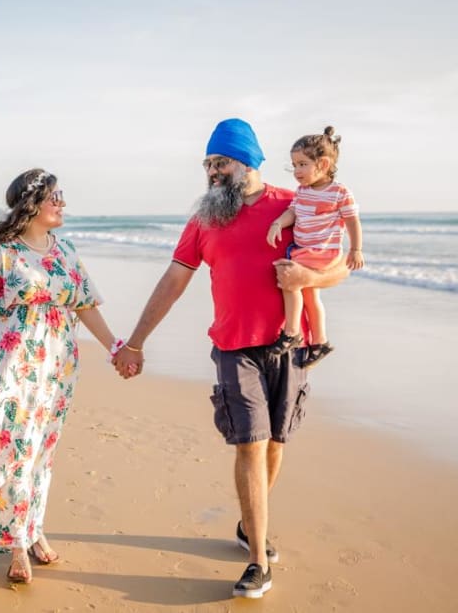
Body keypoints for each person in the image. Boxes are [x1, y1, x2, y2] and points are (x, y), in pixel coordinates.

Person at [112, 119, 348, 599]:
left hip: (290, 346)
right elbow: (174, 281)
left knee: (275, 444)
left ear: (249, 163)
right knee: (250, 445)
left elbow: (337, 266)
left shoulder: (295, 204)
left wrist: (306, 278)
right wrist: (135, 340)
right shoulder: (205, 218)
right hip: (233, 347)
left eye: (220, 163)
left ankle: (247, 523)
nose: (212, 172)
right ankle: (258, 561)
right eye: (207, 164)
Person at [0, 168, 119, 584]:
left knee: (41, 452)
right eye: (54, 196)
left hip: (57, 369)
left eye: (61, 196)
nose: (61, 203)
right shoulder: (3, 254)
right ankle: (18, 542)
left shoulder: (67, 251)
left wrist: (116, 347)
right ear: (32, 203)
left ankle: (33, 528)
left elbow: (85, 305)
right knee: (15, 449)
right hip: (11, 366)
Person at [266, 126, 364, 367]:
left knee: (290, 281)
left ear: (322, 164)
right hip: (304, 249)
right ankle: (320, 342)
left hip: (322, 252)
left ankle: (291, 333)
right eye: (294, 165)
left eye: (302, 164)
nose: (296, 171)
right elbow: (293, 211)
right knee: (309, 294)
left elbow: (352, 220)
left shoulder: (339, 192)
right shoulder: (302, 192)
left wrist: (355, 249)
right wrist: (279, 222)